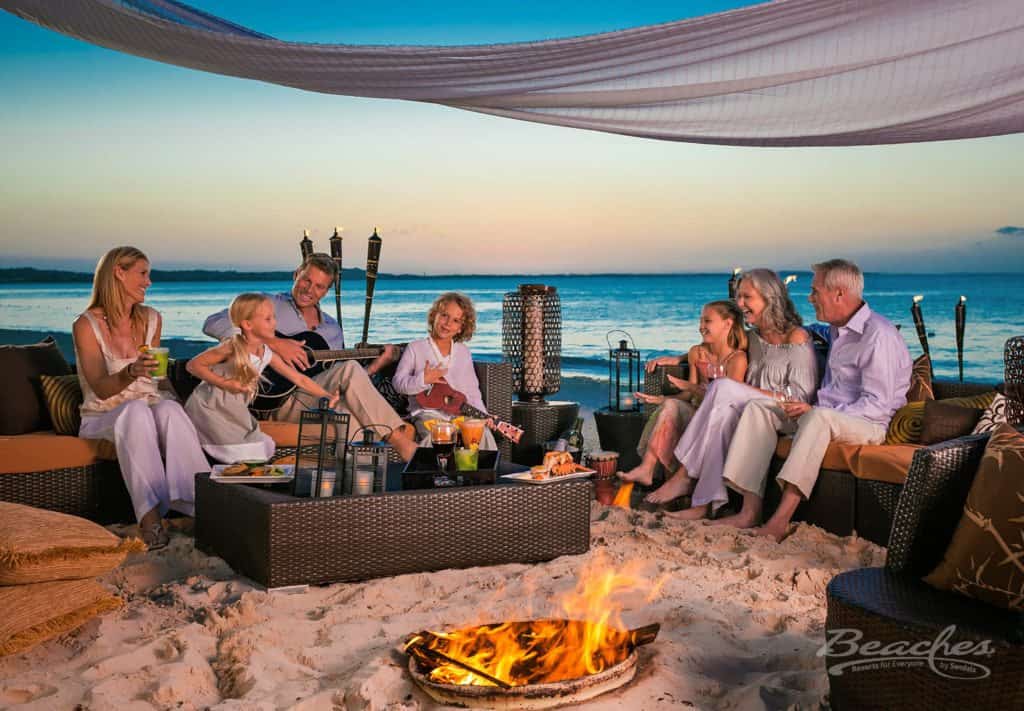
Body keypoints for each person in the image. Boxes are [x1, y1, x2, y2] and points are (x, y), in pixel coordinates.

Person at [719, 259, 911, 541]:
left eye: (815, 291)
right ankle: (750, 510)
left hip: (868, 424)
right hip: (825, 415)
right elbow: (794, 334)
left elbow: (877, 404)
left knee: (818, 418)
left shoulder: (878, 336)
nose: (810, 298)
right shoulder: (835, 329)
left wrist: (816, 411)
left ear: (839, 294)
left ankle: (780, 520)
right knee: (759, 408)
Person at [623, 269, 818, 516]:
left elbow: (802, 397)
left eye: (747, 297)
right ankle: (702, 506)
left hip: (786, 411)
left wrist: (743, 390)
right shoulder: (754, 336)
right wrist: (679, 358)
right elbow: (720, 342)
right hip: (749, 407)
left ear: (769, 298)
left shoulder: (796, 336)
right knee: (722, 413)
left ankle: (684, 474)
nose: (740, 304)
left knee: (722, 387)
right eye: (739, 297)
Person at [202, 253, 417, 461]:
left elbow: (341, 379)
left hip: (310, 396)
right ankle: (401, 442)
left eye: (319, 286)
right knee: (350, 369)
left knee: (353, 418)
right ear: (297, 274)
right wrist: (275, 343)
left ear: (326, 291)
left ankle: (353, 483)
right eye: (307, 280)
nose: (309, 289)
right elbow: (212, 323)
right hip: (271, 399)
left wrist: (378, 365)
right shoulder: (267, 303)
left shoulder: (332, 328)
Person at [73, 246, 208, 550]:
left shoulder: (151, 319)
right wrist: (130, 372)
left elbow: (157, 381)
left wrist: (181, 405)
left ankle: (200, 507)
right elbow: (101, 389)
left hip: (146, 405)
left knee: (170, 411)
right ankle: (149, 520)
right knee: (135, 411)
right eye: (143, 274)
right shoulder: (85, 325)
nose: (149, 282)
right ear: (119, 273)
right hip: (103, 415)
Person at [186, 293, 340, 463]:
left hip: (233, 409)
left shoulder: (267, 352)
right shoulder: (233, 347)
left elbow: (299, 379)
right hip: (210, 408)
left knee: (258, 448)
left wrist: (327, 395)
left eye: (274, 317)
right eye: (268, 319)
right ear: (247, 324)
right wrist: (226, 384)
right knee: (239, 452)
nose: (274, 322)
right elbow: (193, 365)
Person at [621, 300, 749, 486]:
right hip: (695, 411)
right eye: (700, 321)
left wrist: (689, 387)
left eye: (707, 321)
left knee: (675, 417)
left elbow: (729, 401)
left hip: (719, 419)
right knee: (670, 406)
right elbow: (688, 397)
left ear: (728, 323)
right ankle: (647, 468)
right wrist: (662, 399)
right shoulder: (697, 352)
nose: (701, 327)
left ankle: (674, 488)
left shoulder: (737, 359)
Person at [391, 292, 498, 449]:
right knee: (437, 436)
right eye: (444, 316)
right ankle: (435, 473)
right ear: (434, 315)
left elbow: (472, 392)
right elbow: (398, 383)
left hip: (460, 415)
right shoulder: (415, 348)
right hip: (428, 414)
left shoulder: (463, 352)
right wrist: (423, 380)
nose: (447, 324)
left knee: (483, 433)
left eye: (456, 321)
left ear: (461, 328)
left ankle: (483, 472)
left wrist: (483, 415)